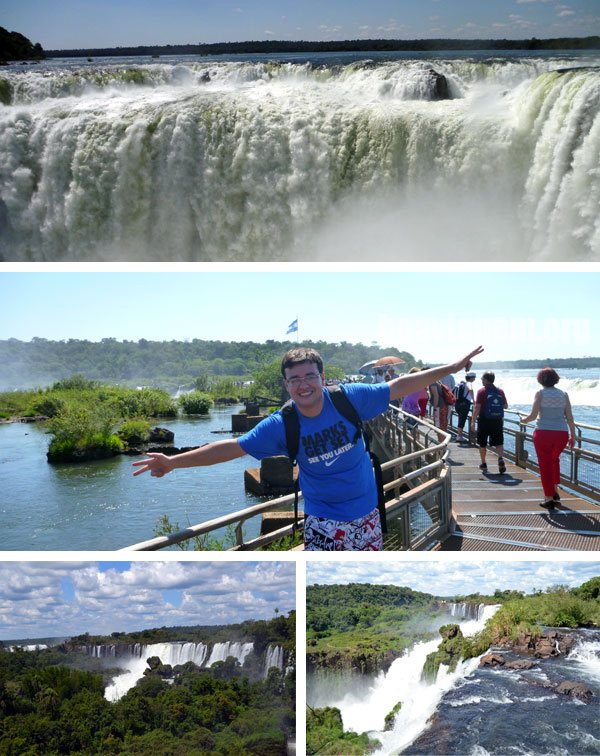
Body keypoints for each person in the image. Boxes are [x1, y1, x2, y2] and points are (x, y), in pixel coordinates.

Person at [133, 344, 484, 551]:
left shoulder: (348, 398)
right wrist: (174, 462)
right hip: (324, 523)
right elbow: (232, 448)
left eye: (309, 376)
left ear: (322, 376)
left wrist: (450, 368)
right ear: (286, 385)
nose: (303, 385)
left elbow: (401, 386)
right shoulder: (282, 424)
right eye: (295, 379)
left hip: (369, 514)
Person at [520, 367, 575, 509]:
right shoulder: (564, 394)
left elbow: (533, 416)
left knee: (545, 465)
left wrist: (523, 420)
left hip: (543, 433)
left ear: (540, 380)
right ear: (555, 378)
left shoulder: (540, 394)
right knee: (554, 460)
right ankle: (555, 491)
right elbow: (569, 417)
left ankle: (549, 498)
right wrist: (573, 435)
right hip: (561, 434)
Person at [470, 371, 508, 474]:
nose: (481, 380)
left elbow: (477, 408)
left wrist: (473, 421)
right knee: (499, 442)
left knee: (482, 443)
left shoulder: (481, 391)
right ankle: (500, 458)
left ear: (486, 380)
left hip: (484, 420)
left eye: (482, 379)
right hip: (497, 421)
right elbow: (505, 406)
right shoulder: (500, 391)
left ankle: (483, 463)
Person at [454, 371, 476, 443]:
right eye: (474, 377)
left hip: (458, 404)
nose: (475, 379)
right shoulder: (469, 383)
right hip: (464, 404)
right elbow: (471, 389)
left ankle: (459, 435)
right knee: (462, 420)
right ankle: (459, 436)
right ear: (471, 378)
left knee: (460, 419)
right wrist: (474, 400)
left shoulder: (460, 383)